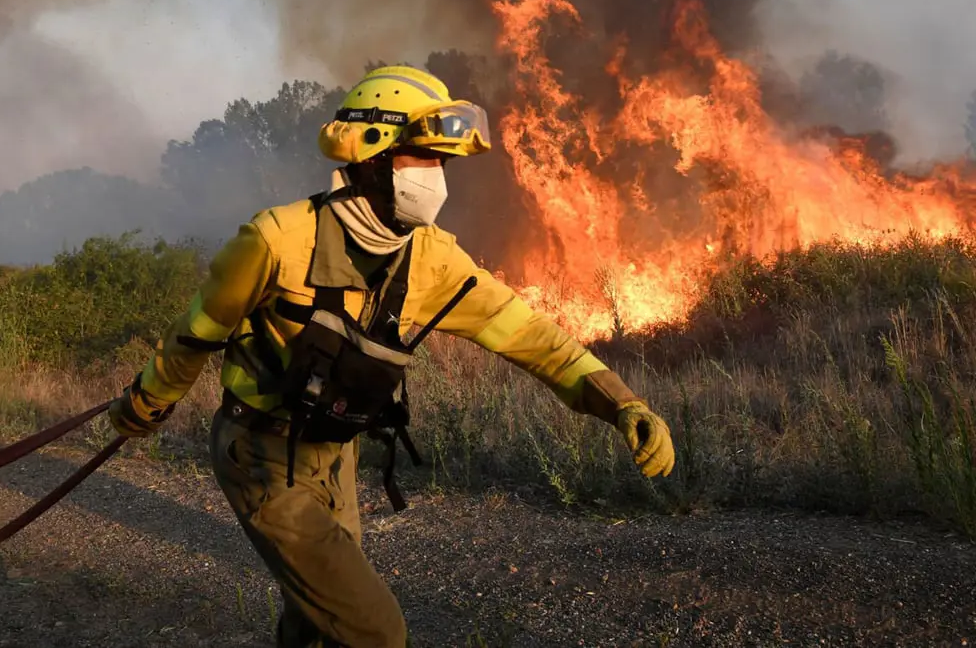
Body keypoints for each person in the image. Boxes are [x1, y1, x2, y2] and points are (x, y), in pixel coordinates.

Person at [107, 66, 676, 647]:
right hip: (261, 453)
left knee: (317, 616)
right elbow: (197, 333)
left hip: (336, 451)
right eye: (423, 159)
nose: (436, 179)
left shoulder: (432, 260)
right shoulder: (276, 239)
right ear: (375, 155)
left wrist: (620, 402)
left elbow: (529, 335)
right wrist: (146, 403)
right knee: (374, 631)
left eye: (441, 164)